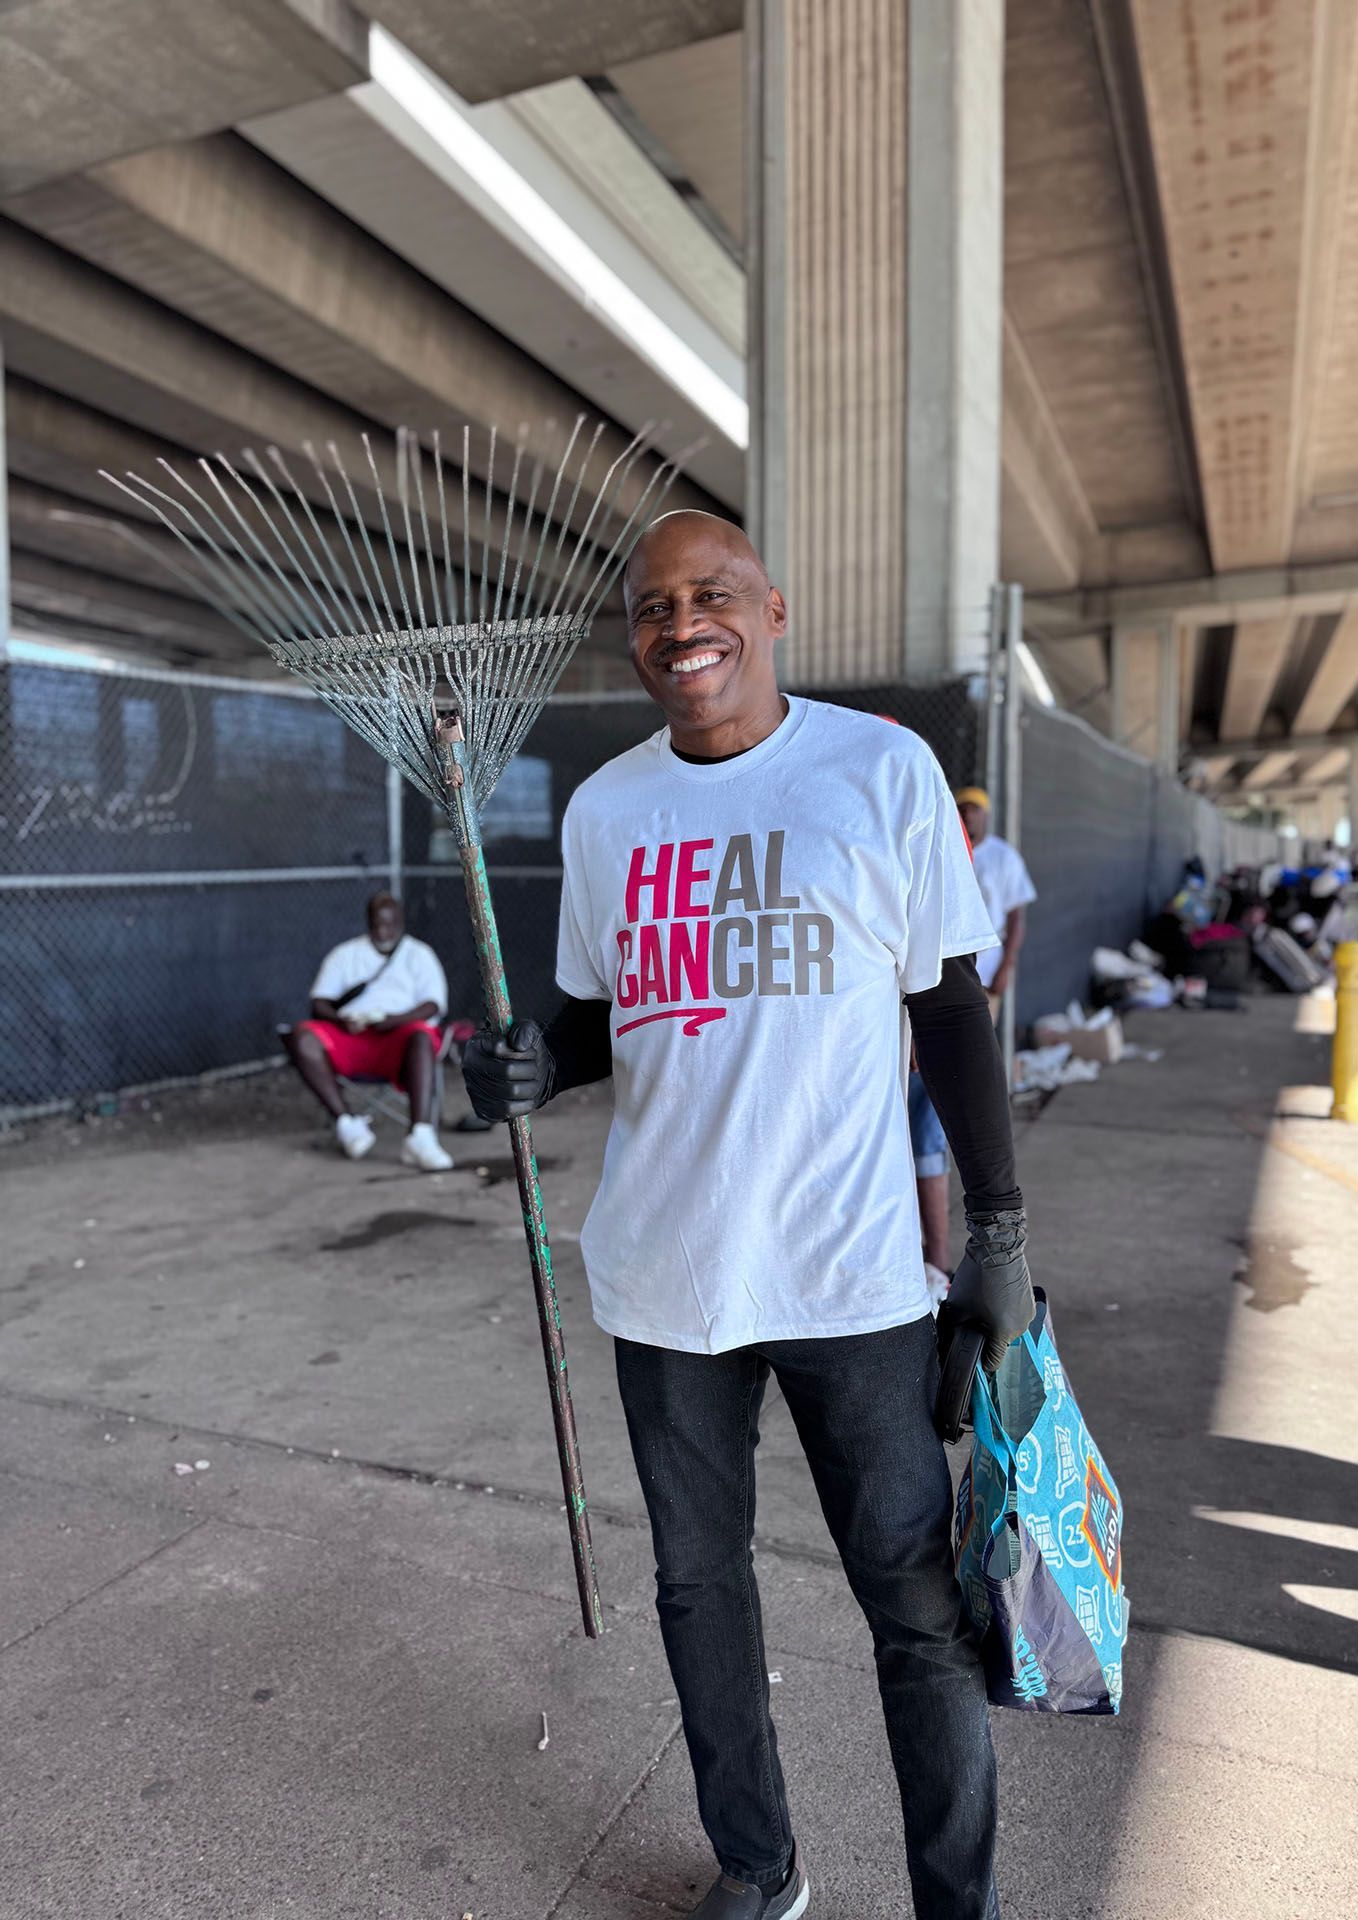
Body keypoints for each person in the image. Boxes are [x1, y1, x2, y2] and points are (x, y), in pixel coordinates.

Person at [464, 510, 1034, 1920]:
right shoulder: (608, 813)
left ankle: (958, 1906)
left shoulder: (880, 772)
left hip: (851, 1282)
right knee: (697, 1590)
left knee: (914, 1612)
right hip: (665, 1283)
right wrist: (536, 1063)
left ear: (772, 610)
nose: (680, 624)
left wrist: (1001, 1237)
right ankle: (760, 1869)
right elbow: (601, 1023)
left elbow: (950, 1009)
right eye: (653, 607)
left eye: (709, 595)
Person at [284, 891, 454, 1171]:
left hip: (399, 1039)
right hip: (351, 1036)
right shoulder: (345, 954)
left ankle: (420, 1135)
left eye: (389, 924)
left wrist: (395, 1019)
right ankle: (347, 1123)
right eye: (376, 924)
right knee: (302, 1036)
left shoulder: (419, 955)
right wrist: (340, 1021)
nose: (382, 931)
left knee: (422, 1036)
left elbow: (433, 1005)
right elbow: (319, 1002)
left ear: (401, 921)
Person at [953, 787, 1036, 1020]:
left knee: (981, 1034)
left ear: (986, 815)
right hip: (951, 959)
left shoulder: (1003, 856)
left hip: (988, 964)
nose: (968, 815)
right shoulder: (947, 850)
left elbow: (1016, 916)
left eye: (975, 809)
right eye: (963, 809)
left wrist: (1006, 967)